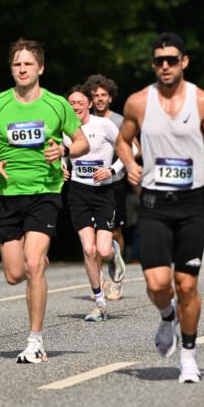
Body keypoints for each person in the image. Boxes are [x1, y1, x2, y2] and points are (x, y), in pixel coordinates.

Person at [116, 32, 204, 383]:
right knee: (157, 284)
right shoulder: (138, 102)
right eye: (158, 61)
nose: (164, 66)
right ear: (153, 65)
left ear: (184, 62)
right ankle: (167, 316)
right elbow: (124, 141)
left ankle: (189, 357)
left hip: (192, 203)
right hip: (153, 202)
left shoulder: (203, 101)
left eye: (171, 60)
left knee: (186, 285)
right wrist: (130, 163)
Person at [0, 39, 88, 362]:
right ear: (11, 69)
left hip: (44, 192)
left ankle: (35, 340)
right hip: (7, 194)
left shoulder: (56, 105)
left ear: (40, 68)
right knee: (14, 274)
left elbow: (81, 142)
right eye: (16, 64)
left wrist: (64, 151)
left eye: (28, 64)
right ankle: (35, 266)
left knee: (33, 263)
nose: (22, 69)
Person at [63, 85, 126, 321]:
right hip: (78, 193)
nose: (75, 106)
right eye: (71, 103)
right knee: (89, 250)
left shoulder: (104, 125)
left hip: (103, 193)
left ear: (89, 104)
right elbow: (59, 153)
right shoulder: (64, 128)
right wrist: (60, 166)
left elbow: (131, 148)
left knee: (102, 250)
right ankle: (99, 303)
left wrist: (111, 170)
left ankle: (114, 253)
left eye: (79, 102)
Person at [83, 73, 129, 300]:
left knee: (114, 231)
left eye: (104, 95)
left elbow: (132, 147)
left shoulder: (119, 120)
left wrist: (120, 169)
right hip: (88, 185)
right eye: (95, 95)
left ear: (110, 98)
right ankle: (98, 281)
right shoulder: (84, 120)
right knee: (92, 234)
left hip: (115, 182)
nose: (100, 99)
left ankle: (116, 280)